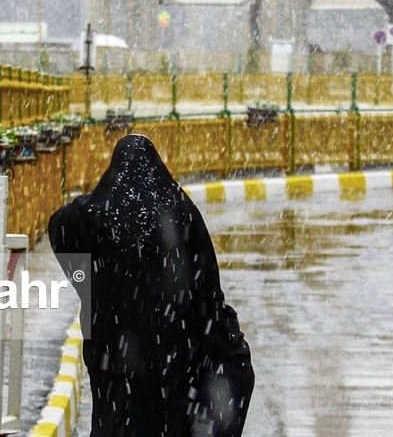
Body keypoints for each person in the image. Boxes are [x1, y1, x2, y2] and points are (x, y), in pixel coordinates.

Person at [48, 134, 254, 437]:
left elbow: (60, 226)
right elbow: (207, 288)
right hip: (174, 361)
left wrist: (88, 283)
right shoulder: (182, 212)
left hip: (116, 362)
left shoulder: (98, 214)